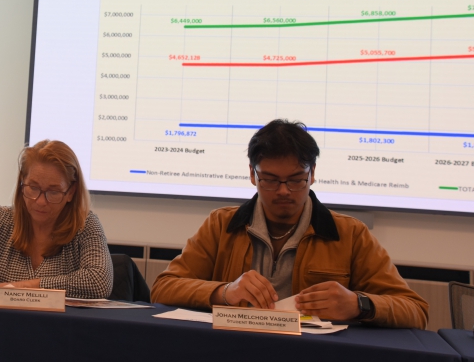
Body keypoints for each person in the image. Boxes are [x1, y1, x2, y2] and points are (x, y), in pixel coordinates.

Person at [151, 119, 429, 329]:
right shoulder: (222, 224)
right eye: (271, 180)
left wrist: (359, 304)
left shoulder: (350, 233)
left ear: (312, 174)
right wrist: (225, 292)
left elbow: (416, 310)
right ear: (252, 175)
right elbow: (163, 288)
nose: (284, 191)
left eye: (296, 179)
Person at [0, 140, 113, 299]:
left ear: (71, 192)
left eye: (54, 192)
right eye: (33, 188)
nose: (41, 201)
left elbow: (98, 282)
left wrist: (13, 288)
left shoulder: (85, 224)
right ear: (21, 184)